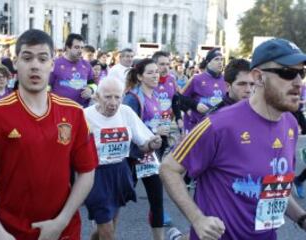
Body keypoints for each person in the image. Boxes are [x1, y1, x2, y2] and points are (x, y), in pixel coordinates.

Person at [0, 29, 98, 240]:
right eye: (27, 57)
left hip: (63, 231)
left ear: (52, 64)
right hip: (9, 233)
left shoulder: (74, 113)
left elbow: (87, 172)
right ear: (15, 63)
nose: (35, 65)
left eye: (42, 58)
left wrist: (61, 221)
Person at [160, 38, 306, 240]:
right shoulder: (219, 124)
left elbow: (274, 186)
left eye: (302, 73)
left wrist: (301, 218)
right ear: (258, 77)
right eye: (288, 73)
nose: (299, 82)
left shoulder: (290, 123)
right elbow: (169, 168)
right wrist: (198, 219)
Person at [84, 77, 162, 240]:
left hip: (120, 172)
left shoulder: (125, 112)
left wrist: (153, 144)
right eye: (108, 97)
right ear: (97, 96)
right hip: (95, 175)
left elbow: (143, 143)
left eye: (117, 97)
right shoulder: (84, 115)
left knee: (108, 226)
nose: (113, 102)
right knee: (108, 231)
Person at [123, 58, 168, 240]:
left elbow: (154, 124)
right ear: (140, 76)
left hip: (150, 158)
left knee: (157, 201)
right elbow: (126, 128)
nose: (155, 75)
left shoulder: (156, 97)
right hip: (132, 157)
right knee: (118, 201)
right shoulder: (132, 98)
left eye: (156, 71)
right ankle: (101, 233)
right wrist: (154, 131)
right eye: (150, 72)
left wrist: (164, 132)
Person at [177, 48, 226, 133]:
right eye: (216, 59)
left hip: (217, 126)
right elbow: (179, 98)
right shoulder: (196, 79)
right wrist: (193, 107)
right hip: (196, 126)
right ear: (208, 62)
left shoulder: (226, 80)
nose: (220, 62)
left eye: (221, 59)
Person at [50, 33, 94, 107]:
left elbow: (92, 83)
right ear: (67, 48)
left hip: (81, 110)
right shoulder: (55, 64)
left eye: (82, 47)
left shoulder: (86, 65)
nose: (80, 50)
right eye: (76, 47)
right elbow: (47, 87)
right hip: (60, 110)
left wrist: (91, 90)